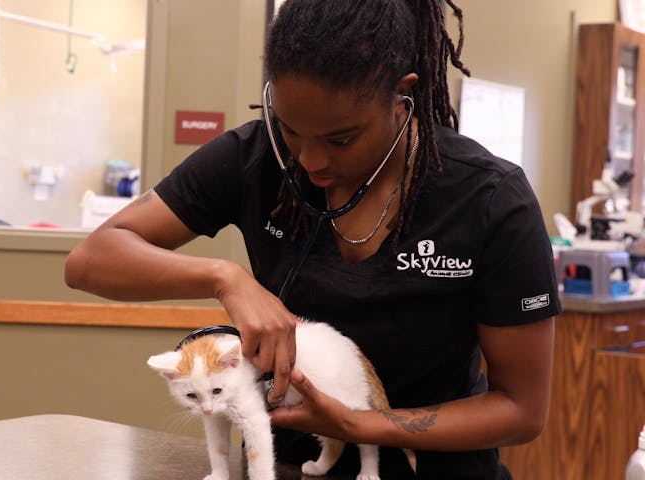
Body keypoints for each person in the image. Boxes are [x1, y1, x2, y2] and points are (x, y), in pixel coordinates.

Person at [64, 0, 561, 478]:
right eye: (290, 129)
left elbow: (521, 410)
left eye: (341, 139)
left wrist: (358, 425)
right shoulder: (252, 158)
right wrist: (225, 277)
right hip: (286, 468)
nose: (310, 160)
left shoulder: (488, 197)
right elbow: (90, 260)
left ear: (401, 95)